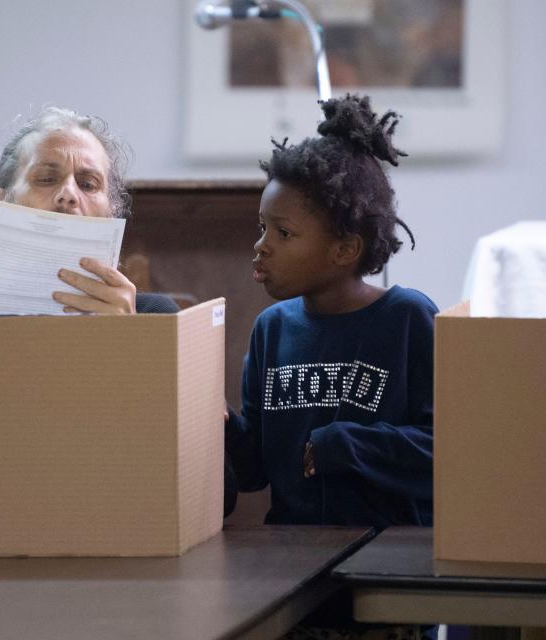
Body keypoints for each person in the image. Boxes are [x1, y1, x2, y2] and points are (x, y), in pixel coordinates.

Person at [226, 93, 436, 639]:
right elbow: (252, 474)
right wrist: (219, 428)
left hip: (387, 583)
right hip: (291, 581)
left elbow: (451, 454)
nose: (260, 248)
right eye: (261, 227)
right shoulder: (273, 329)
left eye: (283, 233)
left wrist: (345, 444)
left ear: (345, 250)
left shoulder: (410, 319)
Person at [0, 106, 177, 316]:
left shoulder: (155, 316)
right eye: (46, 179)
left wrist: (136, 340)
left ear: (111, 215)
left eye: (88, 184)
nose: (68, 194)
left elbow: (206, 398)